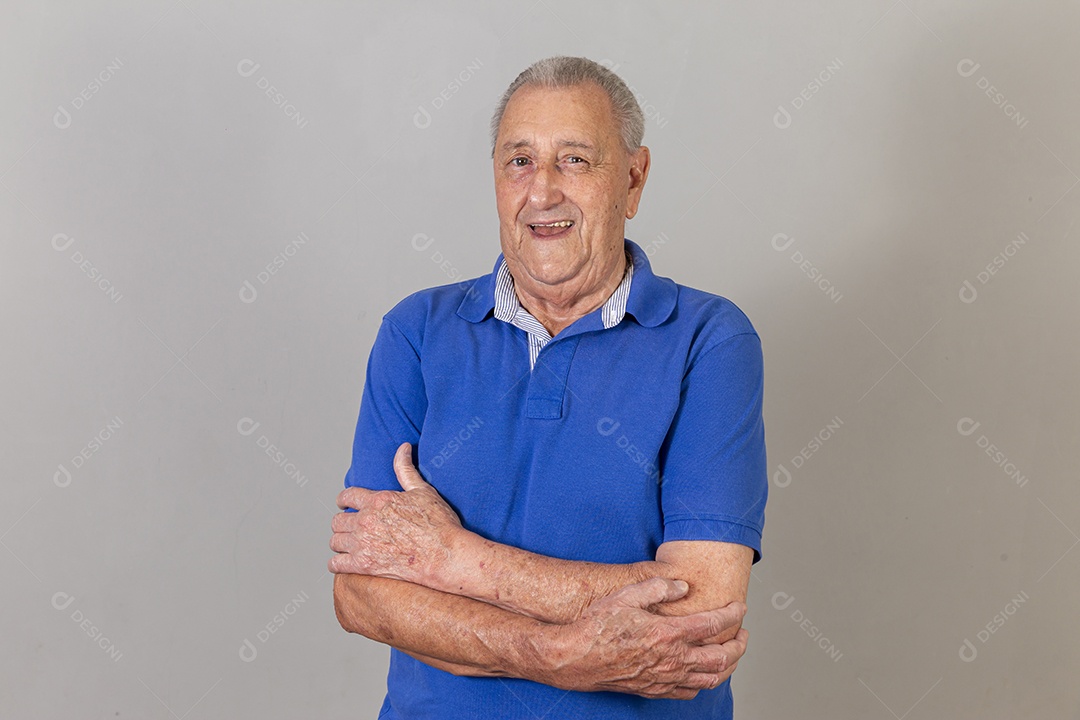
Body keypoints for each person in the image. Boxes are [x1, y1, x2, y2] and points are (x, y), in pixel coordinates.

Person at [329, 55, 768, 719]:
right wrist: (558, 654)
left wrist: (454, 561)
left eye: (575, 160)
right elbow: (362, 594)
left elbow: (700, 608)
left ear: (632, 178)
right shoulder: (416, 333)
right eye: (519, 161)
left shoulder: (710, 341)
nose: (542, 192)